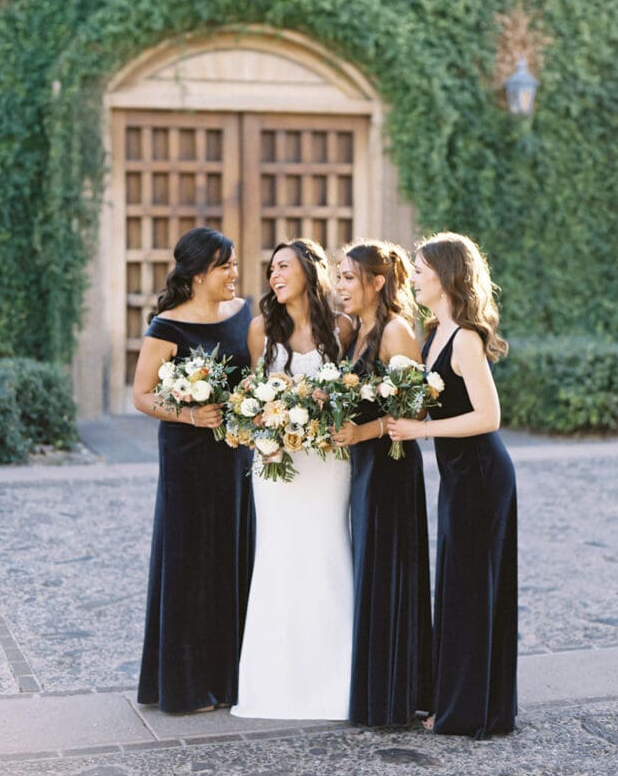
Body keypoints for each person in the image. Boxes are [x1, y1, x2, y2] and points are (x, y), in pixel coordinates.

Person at [387, 232, 517, 739]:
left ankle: (468, 712)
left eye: (421, 269)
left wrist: (421, 430)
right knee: (460, 589)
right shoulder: (432, 331)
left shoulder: (464, 336)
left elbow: (488, 417)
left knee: (469, 591)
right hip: (458, 474)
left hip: (482, 475)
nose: (414, 277)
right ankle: (458, 700)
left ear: (445, 276)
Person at [231, 239, 355, 720]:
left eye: (284, 266)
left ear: (309, 271)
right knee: (278, 558)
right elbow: (254, 393)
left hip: (327, 463)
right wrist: (260, 423)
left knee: (326, 553)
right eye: (271, 269)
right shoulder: (261, 329)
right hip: (276, 466)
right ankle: (273, 685)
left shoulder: (343, 328)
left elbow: (350, 393)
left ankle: (337, 683)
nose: (274, 275)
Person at [133, 227, 254, 713]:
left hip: (235, 456)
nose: (234, 274)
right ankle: (184, 686)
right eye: (225, 266)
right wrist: (189, 414)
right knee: (188, 563)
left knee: (233, 556)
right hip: (186, 460)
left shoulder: (244, 314)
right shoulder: (167, 327)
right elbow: (142, 395)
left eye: (233, 266)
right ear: (199, 272)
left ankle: (231, 680)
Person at [334, 240, 433, 727]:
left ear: (377, 282)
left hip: (392, 466)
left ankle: (397, 694)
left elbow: (414, 409)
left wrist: (363, 431)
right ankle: (376, 688)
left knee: (390, 573)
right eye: (338, 276)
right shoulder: (357, 330)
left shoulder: (396, 331)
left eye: (349, 277)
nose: (340, 286)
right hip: (366, 464)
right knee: (370, 571)